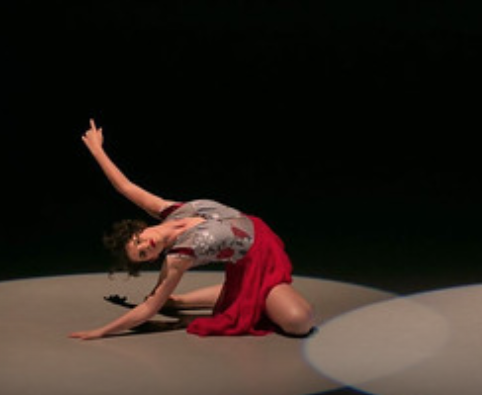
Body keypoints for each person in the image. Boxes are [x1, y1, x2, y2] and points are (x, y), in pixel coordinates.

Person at [69, 119, 315, 340]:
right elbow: (148, 309)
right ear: (154, 259)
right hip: (252, 262)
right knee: (299, 323)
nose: (145, 246)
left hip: (264, 236)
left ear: (140, 229)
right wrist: (101, 332)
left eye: (137, 241)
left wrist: (97, 150)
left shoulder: (166, 210)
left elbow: (125, 187)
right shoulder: (177, 258)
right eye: (143, 254)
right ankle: (223, 298)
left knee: (287, 315)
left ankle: (179, 302)